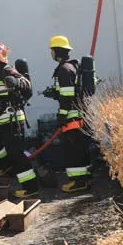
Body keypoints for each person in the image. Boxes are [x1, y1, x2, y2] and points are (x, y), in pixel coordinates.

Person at [0, 42, 39, 199]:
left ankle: (31, 188)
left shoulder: (8, 70)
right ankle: (5, 166)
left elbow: (26, 84)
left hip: (12, 120)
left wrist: (16, 82)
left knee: (16, 154)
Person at [45, 35, 91, 193]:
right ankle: (83, 180)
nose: (51, 53)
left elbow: (67, 96)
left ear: (57, 51)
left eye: (52, 50)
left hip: (71, 118)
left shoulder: (64, 70)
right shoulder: (72, 67)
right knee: (79, 149)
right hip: (79, 115)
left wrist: (62, 115)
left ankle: (77, 183)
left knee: (72, 151)